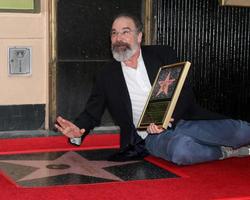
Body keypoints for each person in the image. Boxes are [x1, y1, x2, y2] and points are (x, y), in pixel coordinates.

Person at [55, 13, 250, 165]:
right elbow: (92, 112)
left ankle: (221, 140)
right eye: (114, 33)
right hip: (150, 136)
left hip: (183, 121)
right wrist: (78, 132)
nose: (118, 38)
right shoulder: (107, 75)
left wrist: (168, 120)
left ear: (139, 36)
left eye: (125, 31)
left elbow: (185, 93)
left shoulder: (163, 54)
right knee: (182, 151)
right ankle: (224, 152)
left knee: (242, 131)